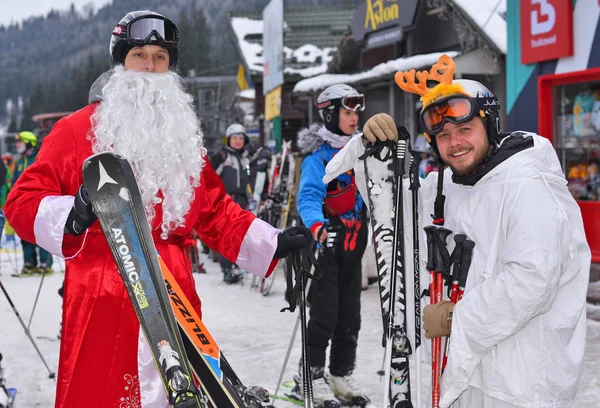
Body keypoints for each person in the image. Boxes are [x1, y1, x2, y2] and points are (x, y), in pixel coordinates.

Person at [5, 10, 311, 408]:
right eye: (140, 55)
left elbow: (213, 209)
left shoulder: (180, 136)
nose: (150, 67)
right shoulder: (76, 130)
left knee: (179, 395)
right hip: (104, 296)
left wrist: (271, 242)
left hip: (175, 298)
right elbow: (22, 201)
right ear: (121, 62)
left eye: (160, 58)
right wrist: (75, 211)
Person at [325, 55, 591, 408]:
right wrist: (372, 146)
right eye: (444, 135)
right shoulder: (448, 184)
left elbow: (533, 280)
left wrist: (455, 317)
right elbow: (397, 210)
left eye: (465, 130)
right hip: (463, 375)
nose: (454, 143)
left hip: (520, 384)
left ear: (489, 125)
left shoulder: (529, 186)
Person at [295, 84, 369, 406]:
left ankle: (340, 373)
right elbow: (309, 196)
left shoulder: (363, 151)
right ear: (329, 113)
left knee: (350, 315)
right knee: (325, 314)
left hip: (354, 247)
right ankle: (309, 375)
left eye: (356, 112)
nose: (354, 118)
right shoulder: (319, 156)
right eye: (347, 111)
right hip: (327, 245)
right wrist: (316, 225)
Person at [210, 122, 252, 283]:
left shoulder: (245, 158)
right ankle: (227, 269)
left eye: (240, 138)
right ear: (229, 140)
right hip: (226, 200)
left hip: (241, 200)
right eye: (234, 138)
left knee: (240, 235)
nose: (237, 141)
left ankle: (237, 265)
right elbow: (209, 178)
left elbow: (252, 177)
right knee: (226, 236)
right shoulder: (222, 157)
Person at [11, 131, 53, 274]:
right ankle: (29, 262)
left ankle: (45, 262)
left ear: (29, 143)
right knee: (25, 233)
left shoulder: (38, 158)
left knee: (41, 233)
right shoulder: (19, 162)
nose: (18, 145)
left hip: (39, 203)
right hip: (22, 205)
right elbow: (14, 182)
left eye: (20, 142)